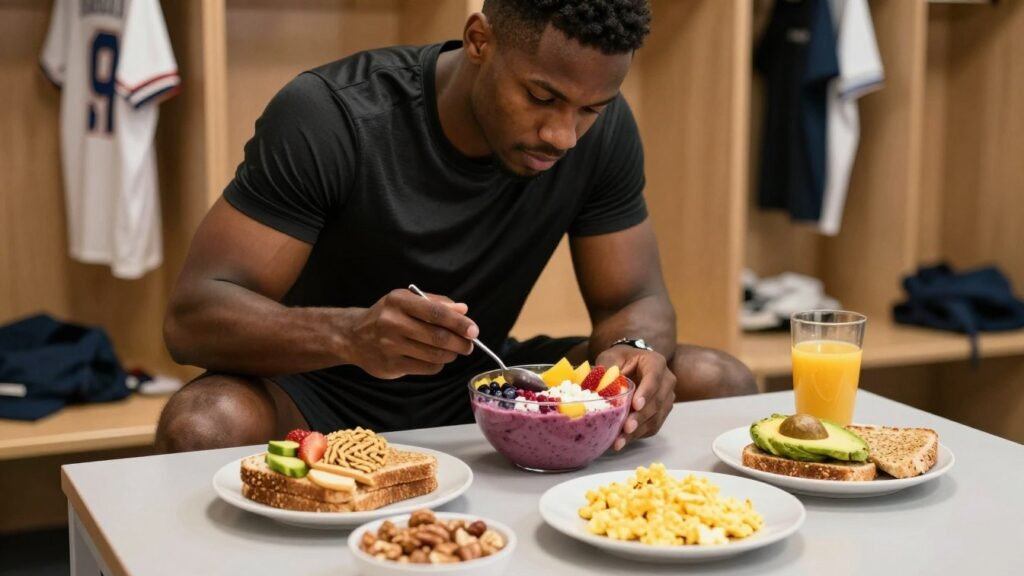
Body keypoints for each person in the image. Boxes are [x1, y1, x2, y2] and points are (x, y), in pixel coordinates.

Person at [156, 0, 756, 454]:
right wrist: (352, 335)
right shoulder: (333, 115)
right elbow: (193, 319)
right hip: (315, 385)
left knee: (714, 378)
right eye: (541, 97)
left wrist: (635, 352)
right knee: (202, 422)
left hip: (483, 381)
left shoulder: (604, 133)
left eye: (589, 110)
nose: (563, 136)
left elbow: (635, 297)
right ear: (479, 40)